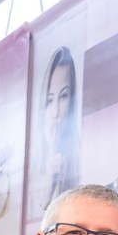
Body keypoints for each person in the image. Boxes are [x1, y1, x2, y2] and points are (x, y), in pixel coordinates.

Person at [29, 46, 80, 218]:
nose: (55, 112)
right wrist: (48, 185)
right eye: (50, 100)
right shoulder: (33, 168)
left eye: (63, 97)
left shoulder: (79, 157)